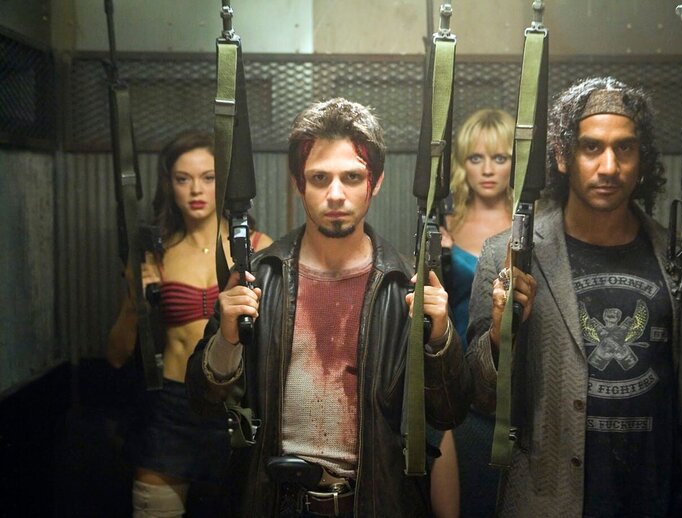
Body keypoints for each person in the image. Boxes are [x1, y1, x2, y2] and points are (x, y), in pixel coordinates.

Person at [466, 77, 682, 517]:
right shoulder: (510, 256)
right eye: (591, 147)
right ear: (562, 156)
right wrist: (502, 335)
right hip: (549, 500)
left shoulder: (677, 257)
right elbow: (480, 397)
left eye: (624, 148)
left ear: (642, 160)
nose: (609, 167)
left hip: (657, 497)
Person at [185, 98, 472, 517]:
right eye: (319, 178)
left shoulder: (403, 286)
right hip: (275, 503)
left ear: (375, 182)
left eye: (352, 177)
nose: (336, 194)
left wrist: (440, 336)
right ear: (298, 183)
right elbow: (201, 402)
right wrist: (227, 342)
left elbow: (450, 413)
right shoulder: (259, 278)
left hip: (373, 504)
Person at [107, 131, 272, 517]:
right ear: (170, 184)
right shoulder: (154, 254)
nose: (196, 190)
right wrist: (136, 301)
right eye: (183, 179)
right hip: (171, 407)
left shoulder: (257, 248)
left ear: (224, 183)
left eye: (208, 177)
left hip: (236, 406)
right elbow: (115, 355)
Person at [430, 108, 514, 518]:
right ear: (463, 163)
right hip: (457, 372)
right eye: (476, 158)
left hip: (515, 371)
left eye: (499, 158)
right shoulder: (445, 225)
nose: (488, 170)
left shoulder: (533, 224)